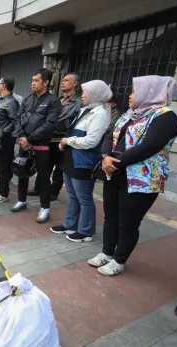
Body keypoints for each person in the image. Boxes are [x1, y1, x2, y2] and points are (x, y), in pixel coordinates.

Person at [88, 75, 177, 276]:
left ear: (151, 91)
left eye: (134, 91)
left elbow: (150, 146)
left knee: (128, 222)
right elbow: (110, 136)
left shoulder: (166, 116)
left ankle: (119, 260)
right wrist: (105, 157)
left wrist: (115, 162)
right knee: (111, 217)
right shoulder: (129, 114)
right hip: (114, 173)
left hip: (142, 180)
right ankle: (107, 253)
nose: (130, 96)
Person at [50, 80, 111, 242]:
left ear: (95, 95)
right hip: (71, 159)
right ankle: (69, 224)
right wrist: (66, 142)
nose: (82, 95)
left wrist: (67, 141)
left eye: (85, 92)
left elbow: (91, 141)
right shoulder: (86, 110)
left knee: (84, 198)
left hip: (84, 161)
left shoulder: (100, 113)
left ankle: (86, 231)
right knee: (72, 195)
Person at [12, 68, 61, 223]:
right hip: (24, 144)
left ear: (45, 82)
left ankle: (45, 208)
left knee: (44, 176)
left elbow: (49, 125)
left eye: (36, 81)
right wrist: (22, 137)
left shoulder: (53, 101)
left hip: (41, 145)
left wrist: (30, 139)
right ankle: (21, 200)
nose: (33, 83)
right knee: (22, 171)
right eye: (32, 80)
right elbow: (18, 118)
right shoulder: (28, 99)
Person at [28, 73, 82, 200]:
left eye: (67, 80)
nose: (63, 82)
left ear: (75, 83)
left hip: (62, 139)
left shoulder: (78, 102)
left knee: (59, 168)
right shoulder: (57, 99)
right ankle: (39, 188)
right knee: (43, 165)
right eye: (62, 80)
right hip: (48, 138)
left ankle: (53, 192)